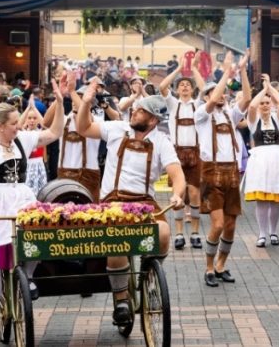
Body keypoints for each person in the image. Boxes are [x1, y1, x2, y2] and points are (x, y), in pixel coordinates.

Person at [76, 84, 186, 326]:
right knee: (118, 241)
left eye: (140, 111)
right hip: (112, 200)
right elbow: (83, 127)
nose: (133, 112)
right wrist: (85, 102)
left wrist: (178, 194)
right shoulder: (117, 129)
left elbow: (177, 174)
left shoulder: (162, 141)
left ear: (153, 119)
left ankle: (148, 276)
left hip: (144, 201)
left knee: (164, 233)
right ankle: (122, 300)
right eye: (135, 109)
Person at [0, 91, 63, 342]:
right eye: (13, 124)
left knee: (36, 238)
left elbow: (54, 133)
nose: (18, 127)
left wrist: (60, 104)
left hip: (21, 198)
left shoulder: (23, 140)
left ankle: (28, 277)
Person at [195, 52, 249, 287]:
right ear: (206, 96)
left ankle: (221, 264)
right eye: (214, 92)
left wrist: (243, 70)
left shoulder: (230, 113)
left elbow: (246, 98)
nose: (221, 95)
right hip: (211, 172)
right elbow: (214, 97)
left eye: (223, 93)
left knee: (230, 225)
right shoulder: (201, 116)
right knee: (217, 225)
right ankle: (208, 267)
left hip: (232, 173)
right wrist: (227, 72)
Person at [159, 55, 204, 250]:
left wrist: (193, 69)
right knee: (177, 194)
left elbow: (204, 89)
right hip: (176, 153)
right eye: (182, 85)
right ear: (177, 89)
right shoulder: (173, 104)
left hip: (195, 153)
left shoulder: (199, 104)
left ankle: (194, 233)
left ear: (192, 89)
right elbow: (162, 87)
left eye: (188, 84)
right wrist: (178, 69)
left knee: (194, 193)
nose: (185, 87)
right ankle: (178, 234)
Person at [244, 75, 279, 247]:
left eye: (267, 103)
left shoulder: (277, 120)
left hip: (276, 158)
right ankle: (262, 233)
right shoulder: (253, 120)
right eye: (262, 103)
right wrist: (263, 91)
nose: (264, 105)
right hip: (260, 159)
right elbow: (251, 105)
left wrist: (270, 87)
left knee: (275, 198)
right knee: (262, 199)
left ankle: (273, 231)